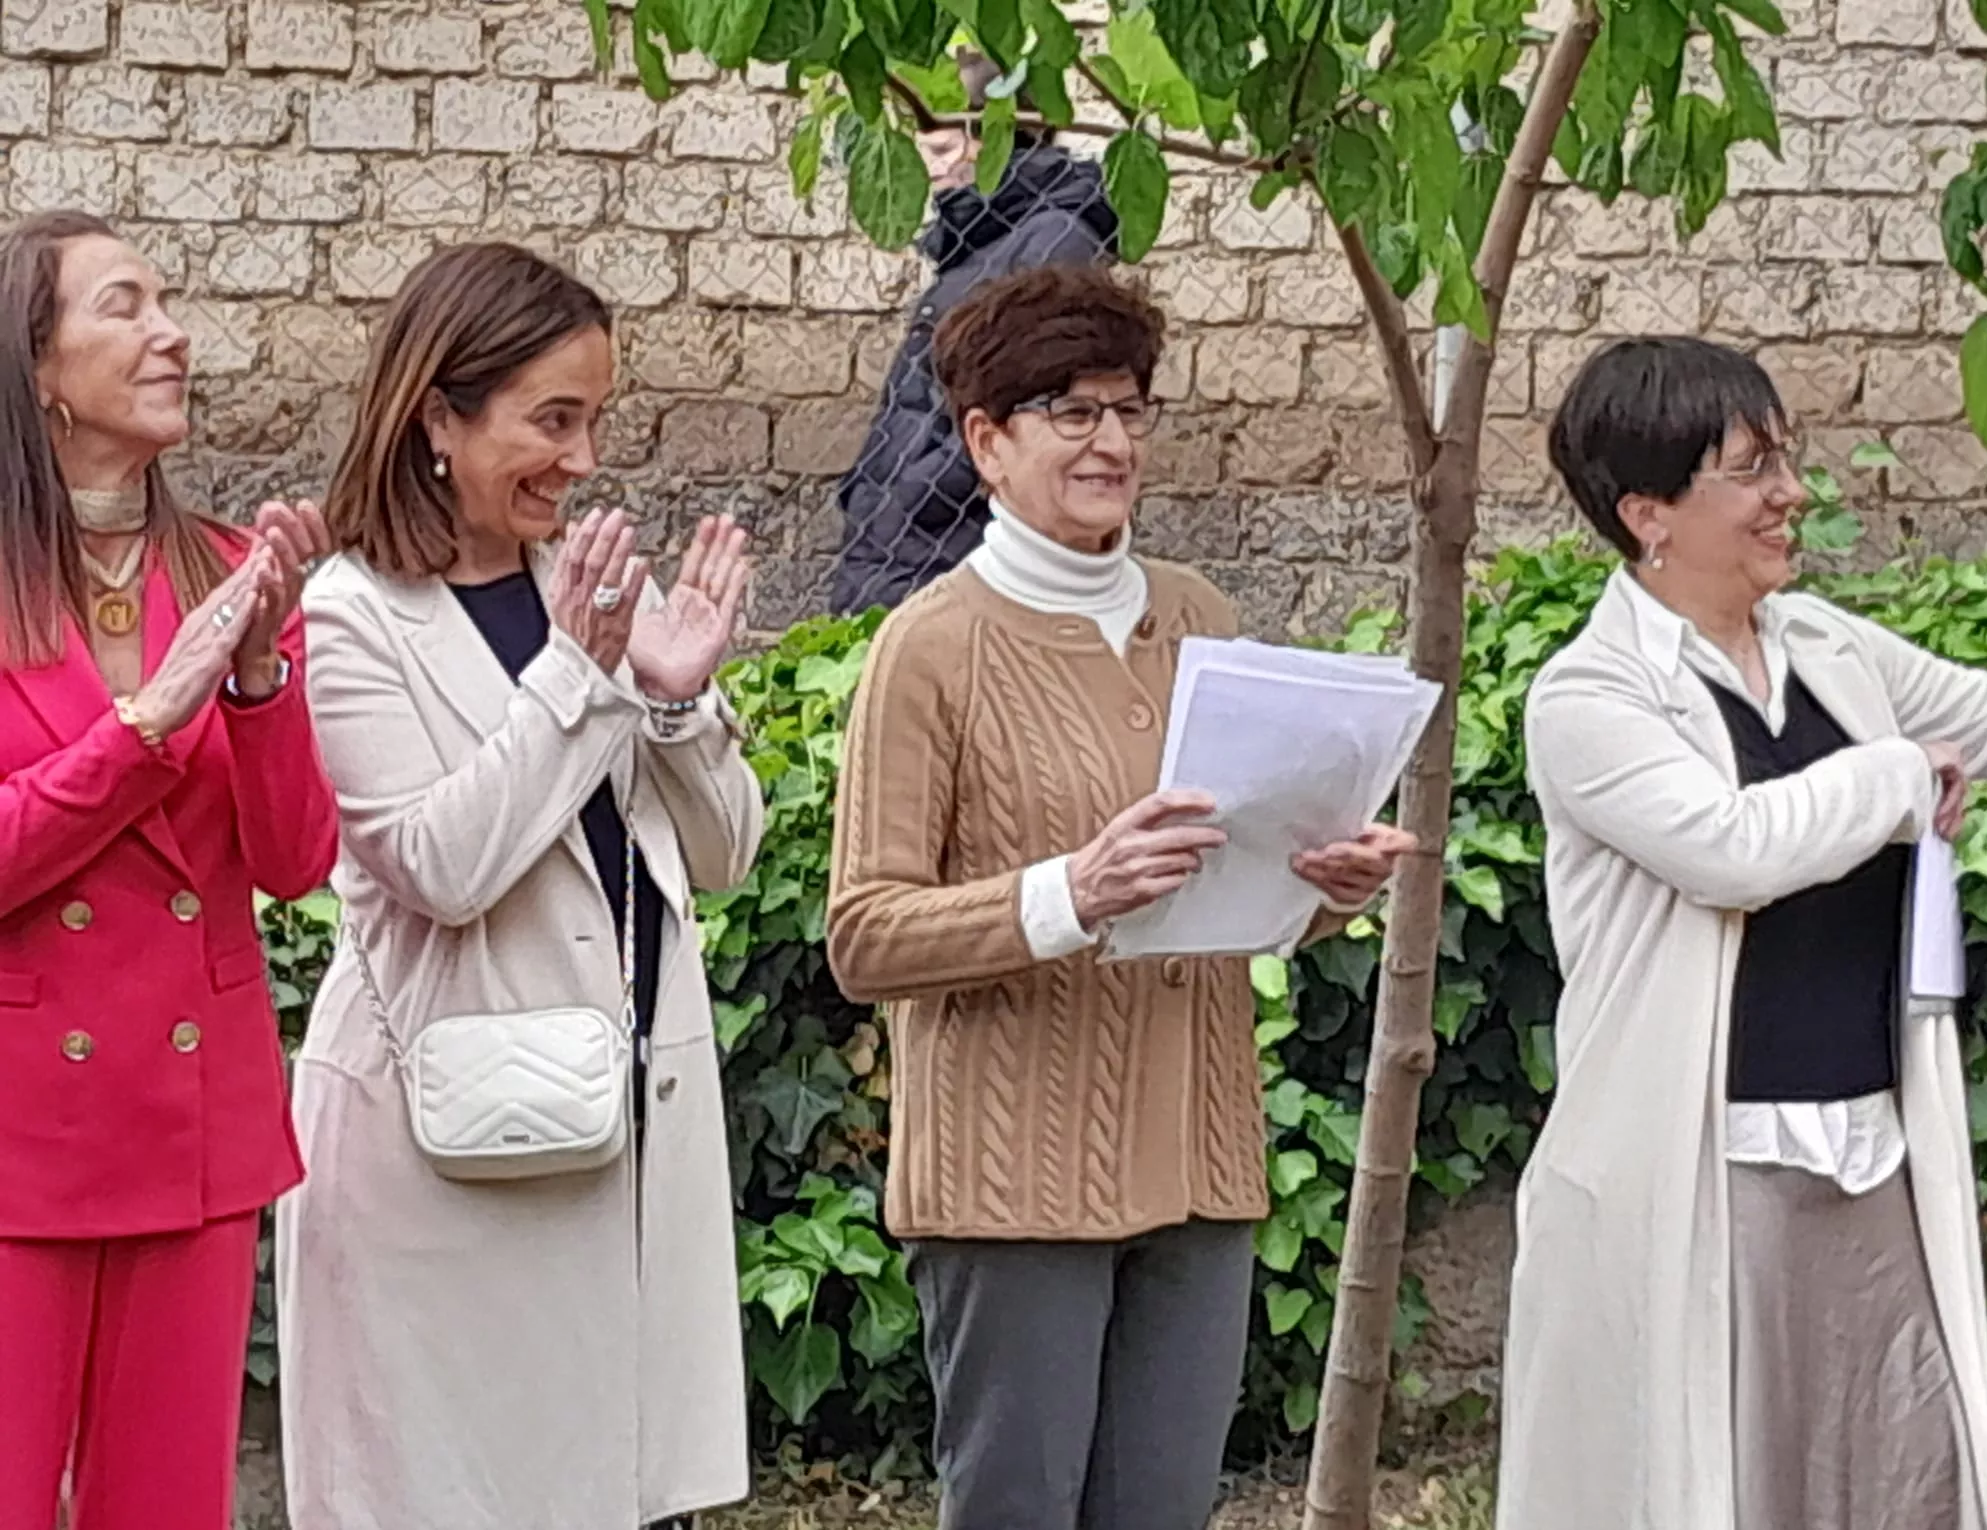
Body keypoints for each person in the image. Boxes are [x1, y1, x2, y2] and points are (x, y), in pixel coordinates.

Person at [827, 264, 1417, 1530]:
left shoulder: (1202, 616)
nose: (1111, 441)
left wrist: (1326, 888)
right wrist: (1070, 893)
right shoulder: (929, 646)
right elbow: (865, 935)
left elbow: (1231, 879)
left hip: (1200, 1160)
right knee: (1018, 1509)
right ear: (987, 441)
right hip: (1009, 1183)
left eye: (1131, 408)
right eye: (1071, 411)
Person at [1498, 335, 1987, 1530]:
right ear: (1647, 514)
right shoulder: (1588, 697)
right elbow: (1731, 848)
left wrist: (1918, 759)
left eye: (1785, 458)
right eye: (1751, 470)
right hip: (1708, 1174)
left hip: (1871, 1159)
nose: (1791, 493)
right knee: (1725, 1486)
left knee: (1899, 1478)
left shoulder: (1828, 648)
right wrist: (1899, 776)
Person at [275, 243, 765, 1530]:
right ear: (438, 416)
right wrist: (581, 680)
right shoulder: (349, 614)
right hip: (436, 1160)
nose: (583, 458)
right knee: (450, 1494)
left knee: (605, 1489)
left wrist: (678, 703)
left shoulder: (589, 585)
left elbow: (723, 857)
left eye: (595, 419)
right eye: (552, 420)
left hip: (622, 1116)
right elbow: (442, 866)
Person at [0, 210, 337, 1530]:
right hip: (20, 1129)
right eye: (125, 306)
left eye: (168, 303)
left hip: (196, 1121)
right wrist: (141, 731)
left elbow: (296, 862)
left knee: (164, 1506)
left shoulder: (230, 571)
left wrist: (255, 681)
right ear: (38, 367)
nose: (172, 334)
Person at [830, 53, 1120, 616]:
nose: (931, 169)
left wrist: (916, 492)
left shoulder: (1054, 241)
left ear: (994, 141)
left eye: (942, 149)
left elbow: (1032, 408)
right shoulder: (985, 241)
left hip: (952, 547)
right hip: (906, 543)